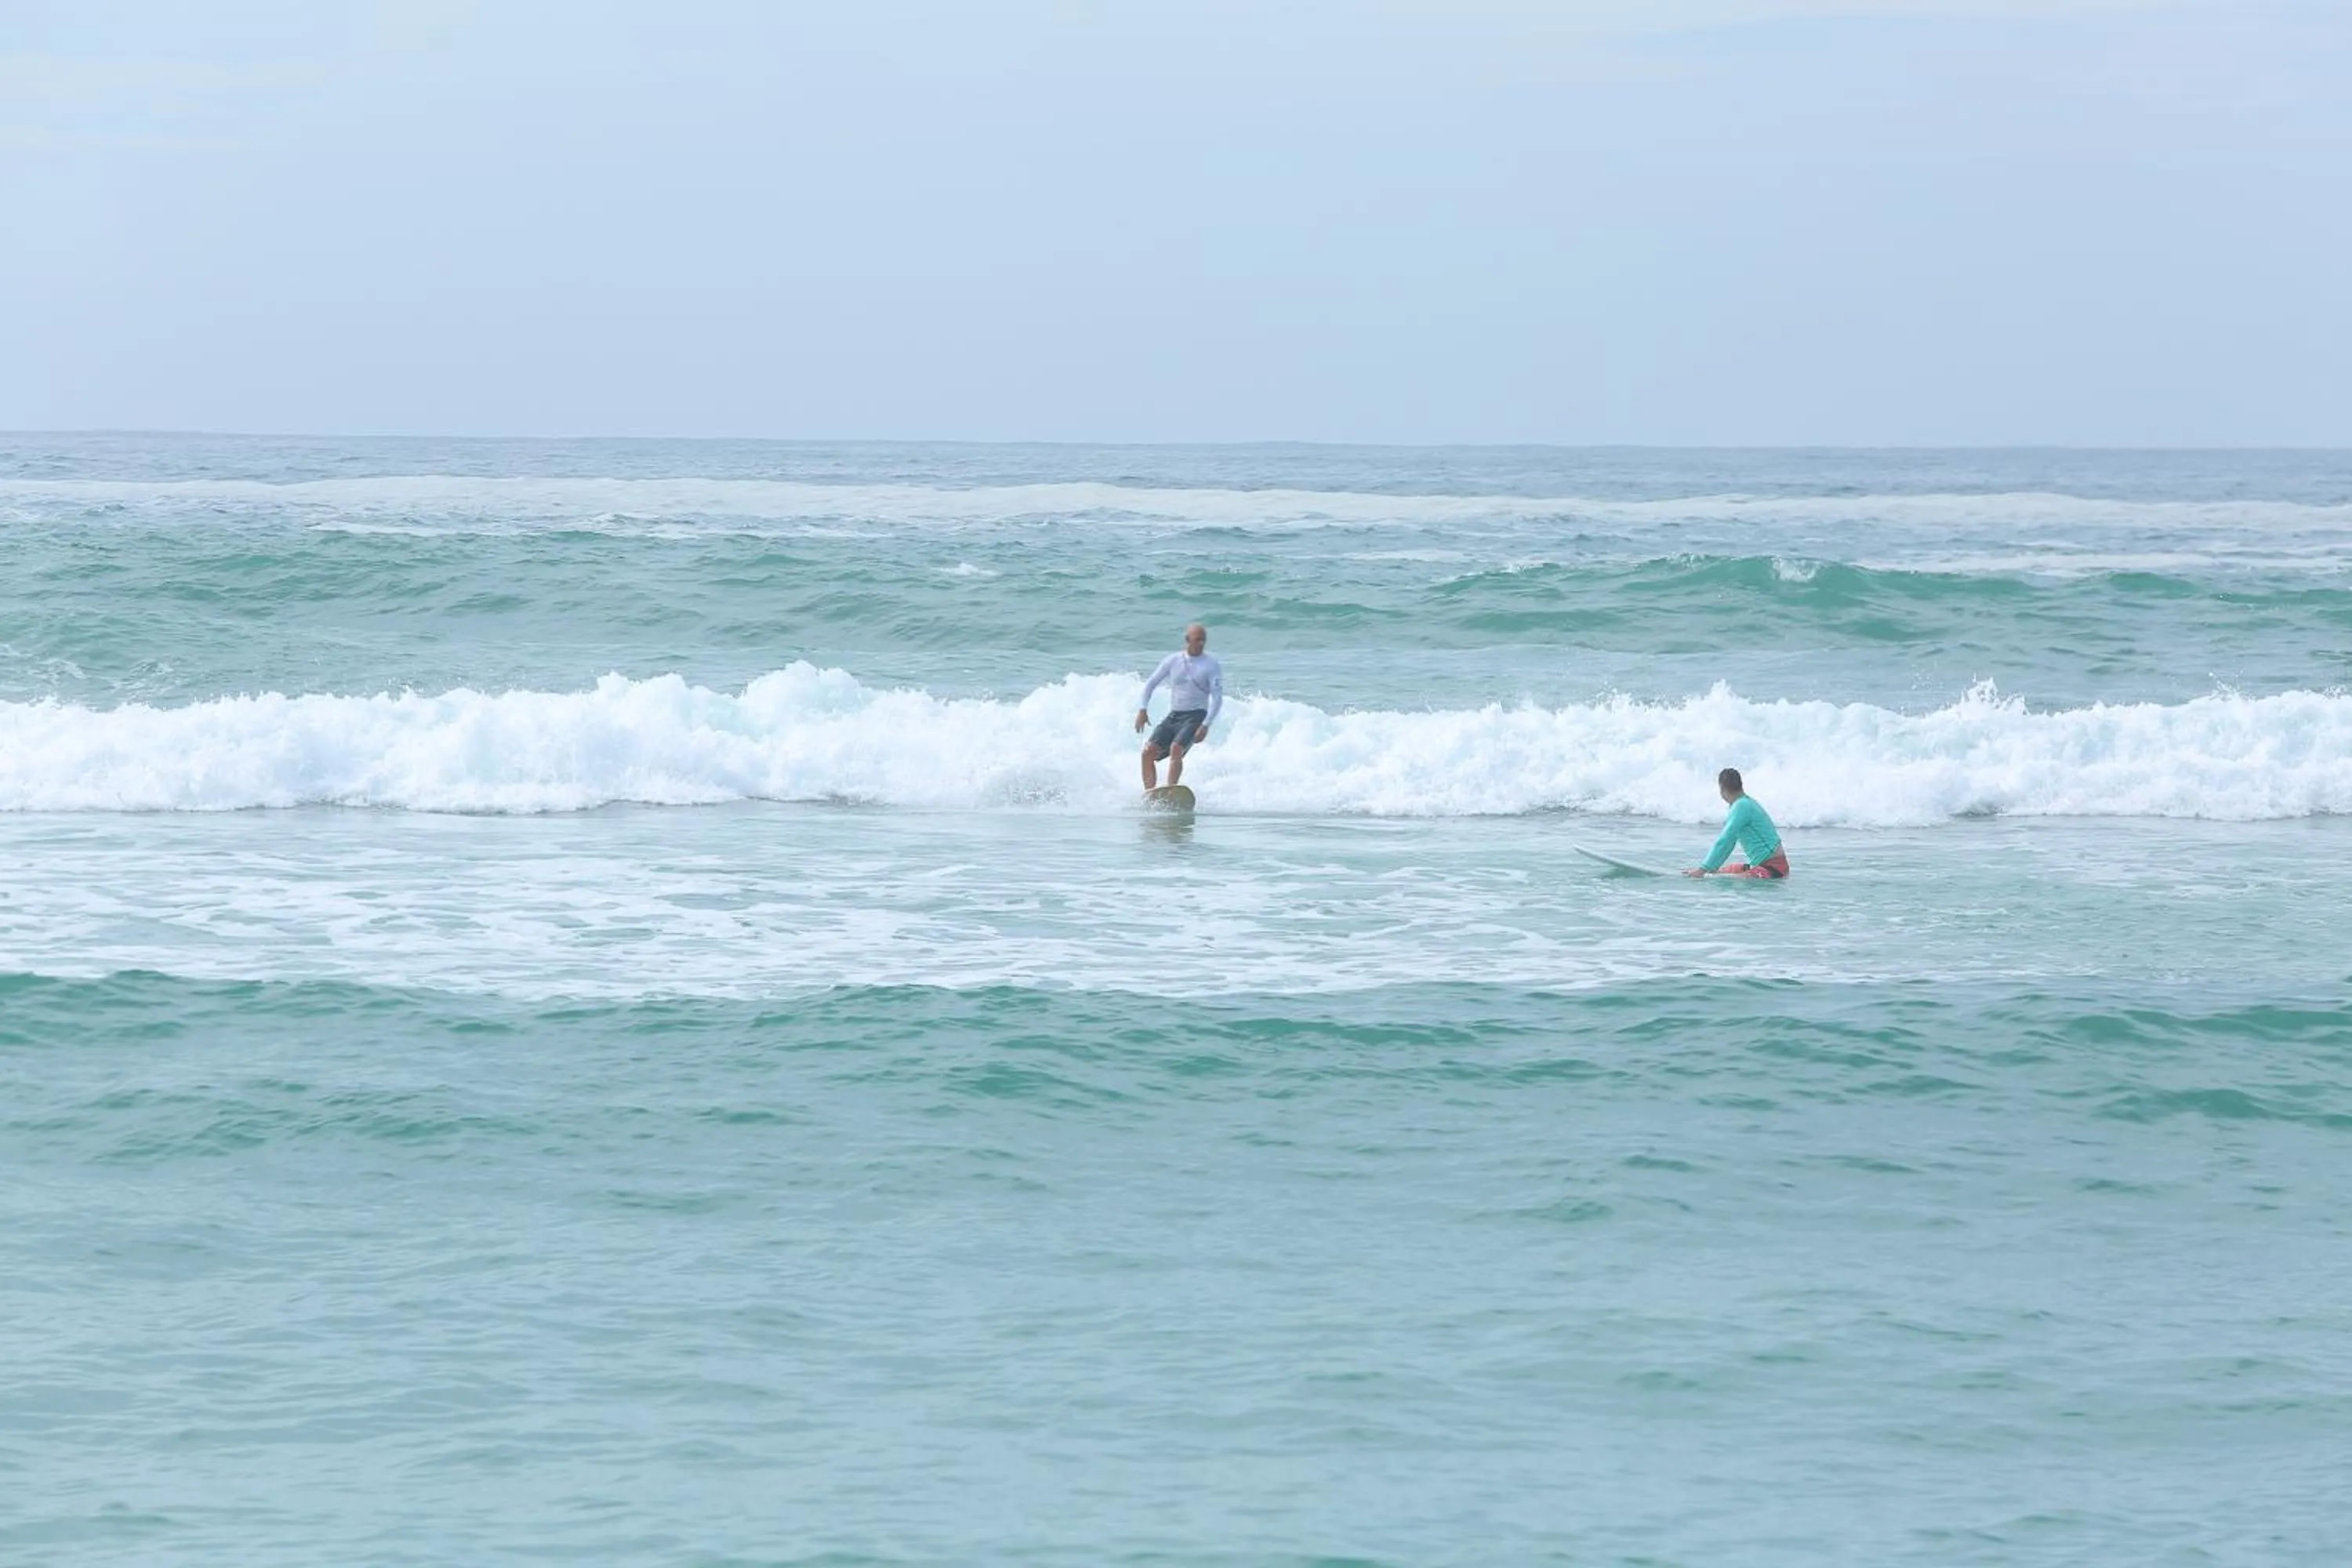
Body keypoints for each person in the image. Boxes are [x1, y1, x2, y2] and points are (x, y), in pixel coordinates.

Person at [1134, 622, 1224, 792]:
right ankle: (1150, 795)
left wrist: (1206, 725)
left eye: (1203, 640)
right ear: (1187, 640)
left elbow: (1217, 698)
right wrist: (1142, 709)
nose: (1201, 644)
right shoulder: (1173, 661)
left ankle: (1171, 790)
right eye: (1197, 640)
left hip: (1196, 716)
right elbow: (1151, 684)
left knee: (1176, 749)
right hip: (1174, 716)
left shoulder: (1211, 665)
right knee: (1147, 752)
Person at [1686, 768, 1789, 879]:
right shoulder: (1745, 803)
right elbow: (1729, 841)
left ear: (1722, 788)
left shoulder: (1742, 806)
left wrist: (1703, 869)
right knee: (1716, 873)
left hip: (1773, 868)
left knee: (1717, 879)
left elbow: (1726, 840)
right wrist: (1706, 869)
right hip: (1762, 866)